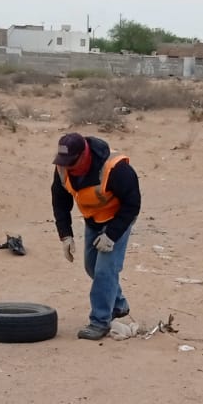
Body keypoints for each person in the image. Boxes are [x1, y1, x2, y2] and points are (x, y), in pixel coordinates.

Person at [50, 132, 142, 340]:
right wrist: (65, 235)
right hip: (93, 220)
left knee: (105, 270)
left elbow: (132, 204)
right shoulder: (63, 168)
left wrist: (111, 236)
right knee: (91, 266)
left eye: (71, 162)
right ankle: (118, 305)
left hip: (118, 220)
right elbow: (60, 201)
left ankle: (99, 322)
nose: (67, 167)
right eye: (64, 162)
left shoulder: (116, 169)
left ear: (84, 155)